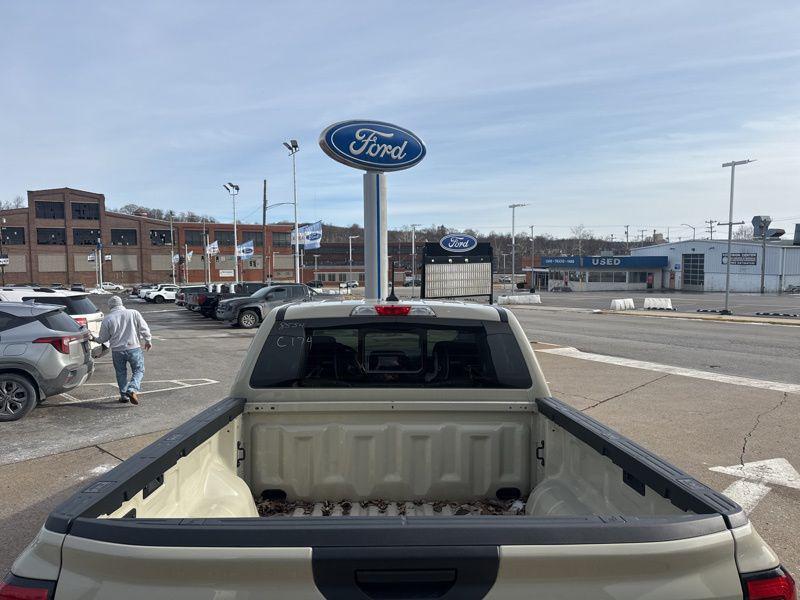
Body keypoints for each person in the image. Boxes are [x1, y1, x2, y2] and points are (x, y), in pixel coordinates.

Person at [95, 295, 152, 405]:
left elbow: (103, 338)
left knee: (121, 373)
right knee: (139, 370)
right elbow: (143, 328)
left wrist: (95, 339)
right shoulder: (133, 313)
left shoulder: (108, 318)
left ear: (110, 306)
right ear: (121, 304)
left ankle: (124, 395)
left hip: (117, 350)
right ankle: (132, 389)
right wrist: (148, 340)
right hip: (133, 347)